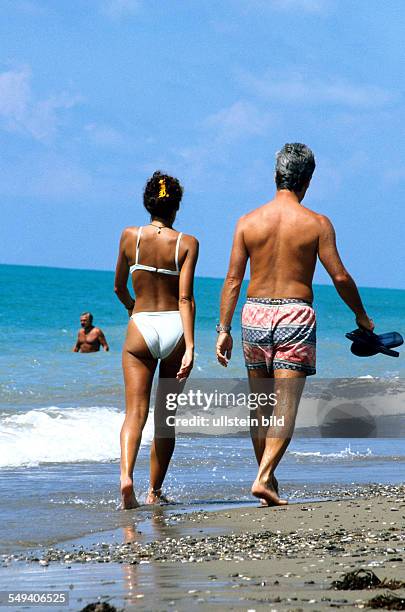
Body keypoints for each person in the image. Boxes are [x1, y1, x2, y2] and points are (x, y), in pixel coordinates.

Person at [216, 143, 374, 506]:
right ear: (308, 181)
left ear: (276, 177)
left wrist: (223, 329)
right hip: (294, 314)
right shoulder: (316, 224)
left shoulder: (247, 222)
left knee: (261, 405)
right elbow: (340, 276)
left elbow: (232, 281)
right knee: (285, 404)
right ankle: (264, 477)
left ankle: (265, 481)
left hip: (254, 313)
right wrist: (361, 315)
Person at [114, 171, 199, 509]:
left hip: (142, 326)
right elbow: (185, 299)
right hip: (176, 329)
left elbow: (119, 287)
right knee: (166, 417)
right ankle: (154, 491)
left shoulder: (129, 237)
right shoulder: (187, 242)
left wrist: (134, 310)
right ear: (176, 206)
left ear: (146, 202)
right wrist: (190, 346)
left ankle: (126, 479)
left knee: (135, 413)